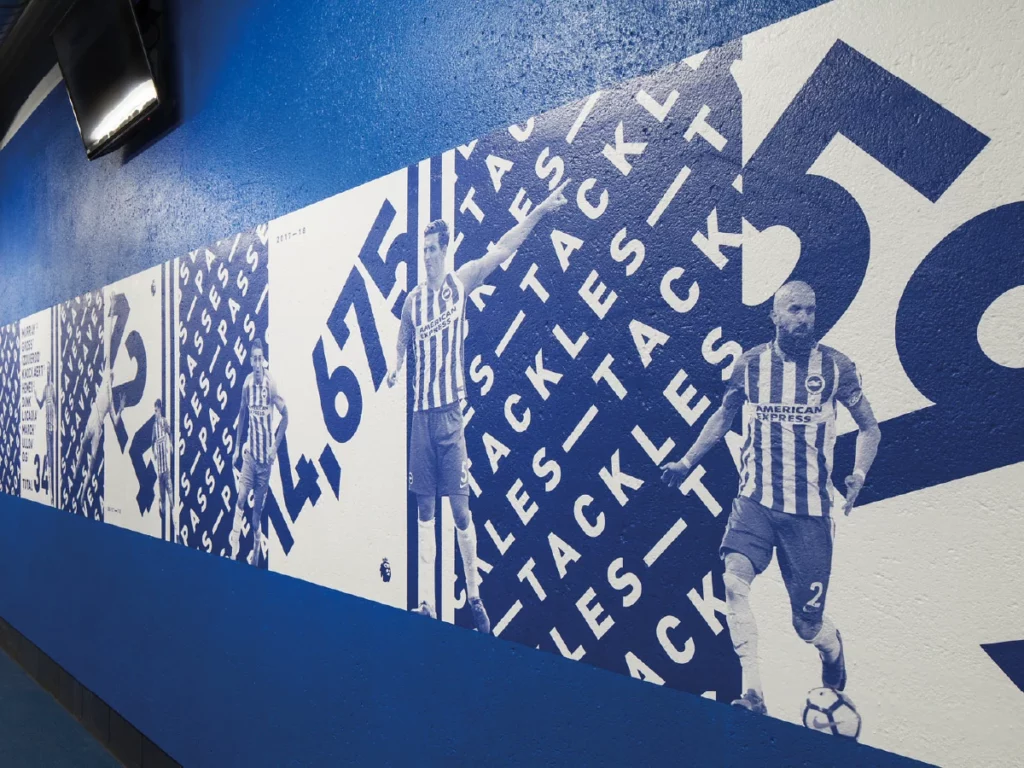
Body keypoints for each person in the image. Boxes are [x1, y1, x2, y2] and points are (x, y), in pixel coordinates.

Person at [660, 281, 881, 715]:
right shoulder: (750, 365)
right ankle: (753, 693)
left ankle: (831, 647)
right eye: (795, 310)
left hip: (809, 513)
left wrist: (858, 474)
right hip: (755, 501)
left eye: (810, 311)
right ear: (775, 316)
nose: (804, 319)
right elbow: (724, 416)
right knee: (733, 581)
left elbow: (870, 428)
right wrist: (686, 462)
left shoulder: (836, 367)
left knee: (806, 625)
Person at [387, 179, 571, 633]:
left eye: (433, 249)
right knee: (424, 512)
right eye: (423, 250)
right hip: (420, 420)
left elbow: (504, 248)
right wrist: (396, 363)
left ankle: (473, 594)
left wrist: (540, 210)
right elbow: (404, 334)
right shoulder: (413, 301)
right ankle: (427, 604)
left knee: (460, 512)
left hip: (450, 417)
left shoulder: (460, 282)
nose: (427, 256)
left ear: (445, 249)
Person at [229, 338, 288, 567]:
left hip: (265, 464)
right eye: (253, 359)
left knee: (255, 520)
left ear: (263, 360)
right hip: (251, 457)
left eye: (259, 358)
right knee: (240, 497)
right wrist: (237, 447)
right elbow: (242, 414)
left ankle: (255, 547)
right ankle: (234, 542)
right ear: (250, 361)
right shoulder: (247, 385)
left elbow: (286, 416)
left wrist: (274, 448)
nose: (256, 363)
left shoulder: (270, 385)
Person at [74, 366, 125, 509]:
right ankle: (78, 478)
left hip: (95, 424)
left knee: (88, 458)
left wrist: (121, 408)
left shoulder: (108, 394)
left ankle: (81, 491)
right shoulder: (107, 388)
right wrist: (120, 408)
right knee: (84, 449)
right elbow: (116, 421)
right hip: (94, 421)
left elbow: (115, 421)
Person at [152, 399, 174, 536]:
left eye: (156, 410)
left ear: (160, 409)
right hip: (159, 469)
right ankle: (163, 508)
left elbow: (169, 433)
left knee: (170, 490)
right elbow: (152, 441)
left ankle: (174, 518)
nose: (155, 413)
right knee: (162, 494)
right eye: (154, 411)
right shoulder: (154, 426)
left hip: (165, 467)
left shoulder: (164, 422)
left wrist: (170, 444)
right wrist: (154, 452)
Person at [34, 363, 56, 497]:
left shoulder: (53, 387)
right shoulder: (45, 388)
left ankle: (53, 485)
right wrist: (36, 396)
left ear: (51, 372)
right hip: (47, 427)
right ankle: (50, 484)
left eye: (49, 370)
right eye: (46, 370)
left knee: (53, 453)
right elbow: (41, 404)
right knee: (49, 454)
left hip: (53, 425)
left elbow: (56, 405)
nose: (47, 372)